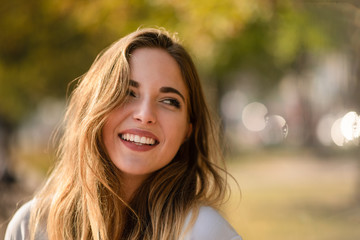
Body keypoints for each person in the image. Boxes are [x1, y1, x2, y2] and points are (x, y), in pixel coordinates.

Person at [5, 27, 241, 240]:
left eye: (169, 101)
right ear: (95, 105)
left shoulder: (204, 232)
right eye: (128, 92)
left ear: (188, 130)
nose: (145, 114)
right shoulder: (32, 226)